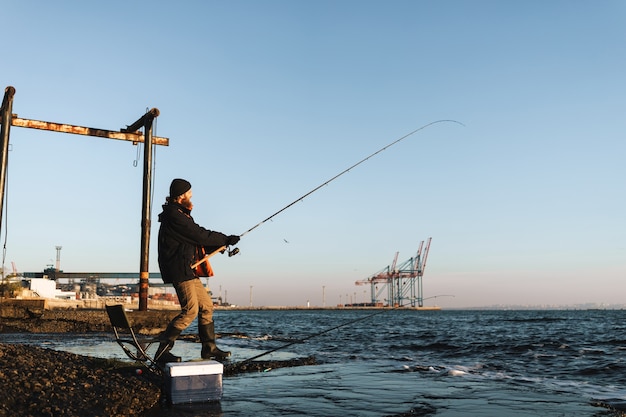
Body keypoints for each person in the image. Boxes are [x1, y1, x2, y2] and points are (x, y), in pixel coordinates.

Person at [156, 178, 240, 364]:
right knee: (190, 311)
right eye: (189, 194)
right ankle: (162, 351)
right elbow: (198, 234)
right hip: (180, 269)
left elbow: (195, 242)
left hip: (188, 268)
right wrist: (225, 238)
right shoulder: (175, 216)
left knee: (207, 306)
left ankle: (209, 348)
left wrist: (221, 243)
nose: (192, 197)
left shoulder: (180, 214)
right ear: (180, 196)